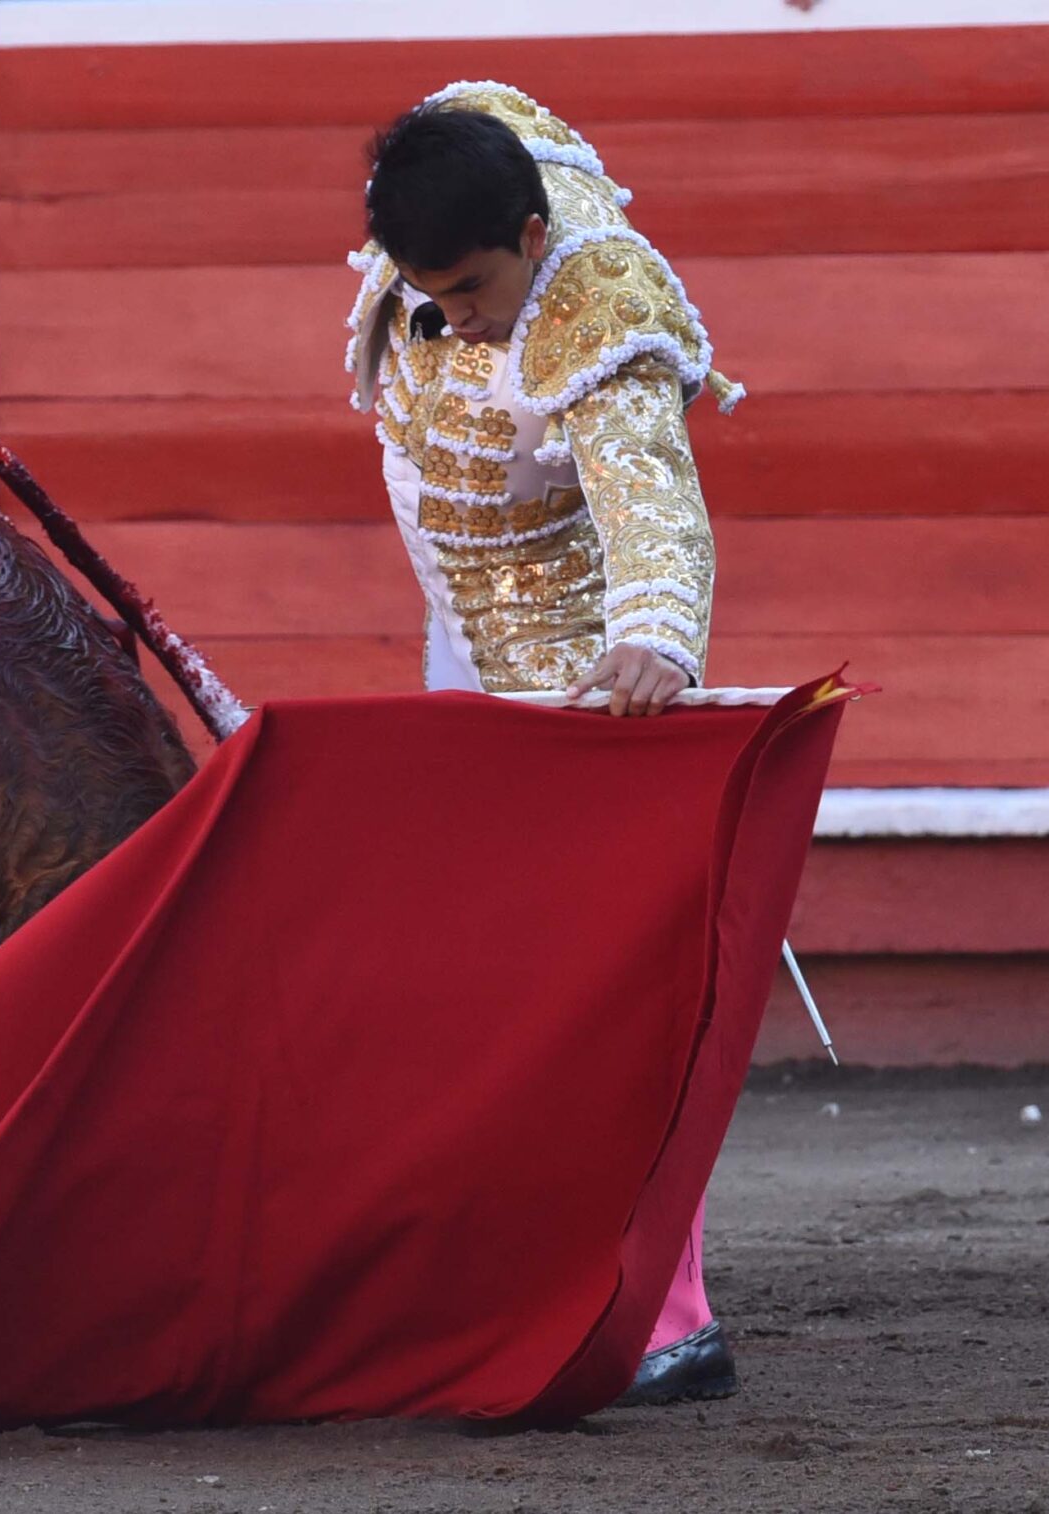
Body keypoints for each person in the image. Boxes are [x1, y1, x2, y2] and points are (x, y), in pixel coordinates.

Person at [346, 81, 742, 1403]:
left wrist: (655, 637)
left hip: (590, 693)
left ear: (530, 235)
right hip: (464, 659)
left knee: (612, 1007)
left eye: (470, 288)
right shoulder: (442, 212)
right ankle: (526, 1278)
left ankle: (667, 1316)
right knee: (490, 993)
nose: (451, 315)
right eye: (425, 291)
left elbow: (650, 496)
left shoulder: (599, 302)